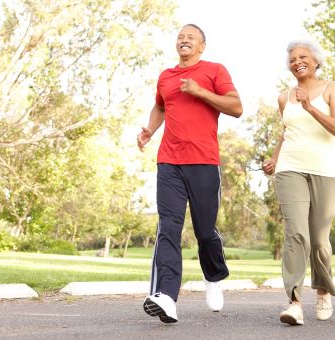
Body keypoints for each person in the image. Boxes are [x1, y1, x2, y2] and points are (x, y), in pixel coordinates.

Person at [137, 23, 243, 323]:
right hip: (169, 161)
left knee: (205, 231)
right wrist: (149, 130)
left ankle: (213, 276)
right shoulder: (166, 77)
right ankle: (166, 296)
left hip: (204, 162)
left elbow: (236, 107)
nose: (184, 40)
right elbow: (160, 106)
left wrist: (200, 92)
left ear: (201, 46)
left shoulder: (214, 71)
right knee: (168, 227)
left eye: (190, 38)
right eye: (180, 37)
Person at [262, 38, 335, 326]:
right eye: (292, 58)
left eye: (303, 56)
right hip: (291, 168)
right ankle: (294, 302)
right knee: (296, 234)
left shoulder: (332, 89)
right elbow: (287, 132)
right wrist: (274, 159)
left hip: (327, 171)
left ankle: (323, 291)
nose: (297, 61)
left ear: (316, 61)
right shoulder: (284, 97)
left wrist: (310, 107)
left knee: (319, 240)